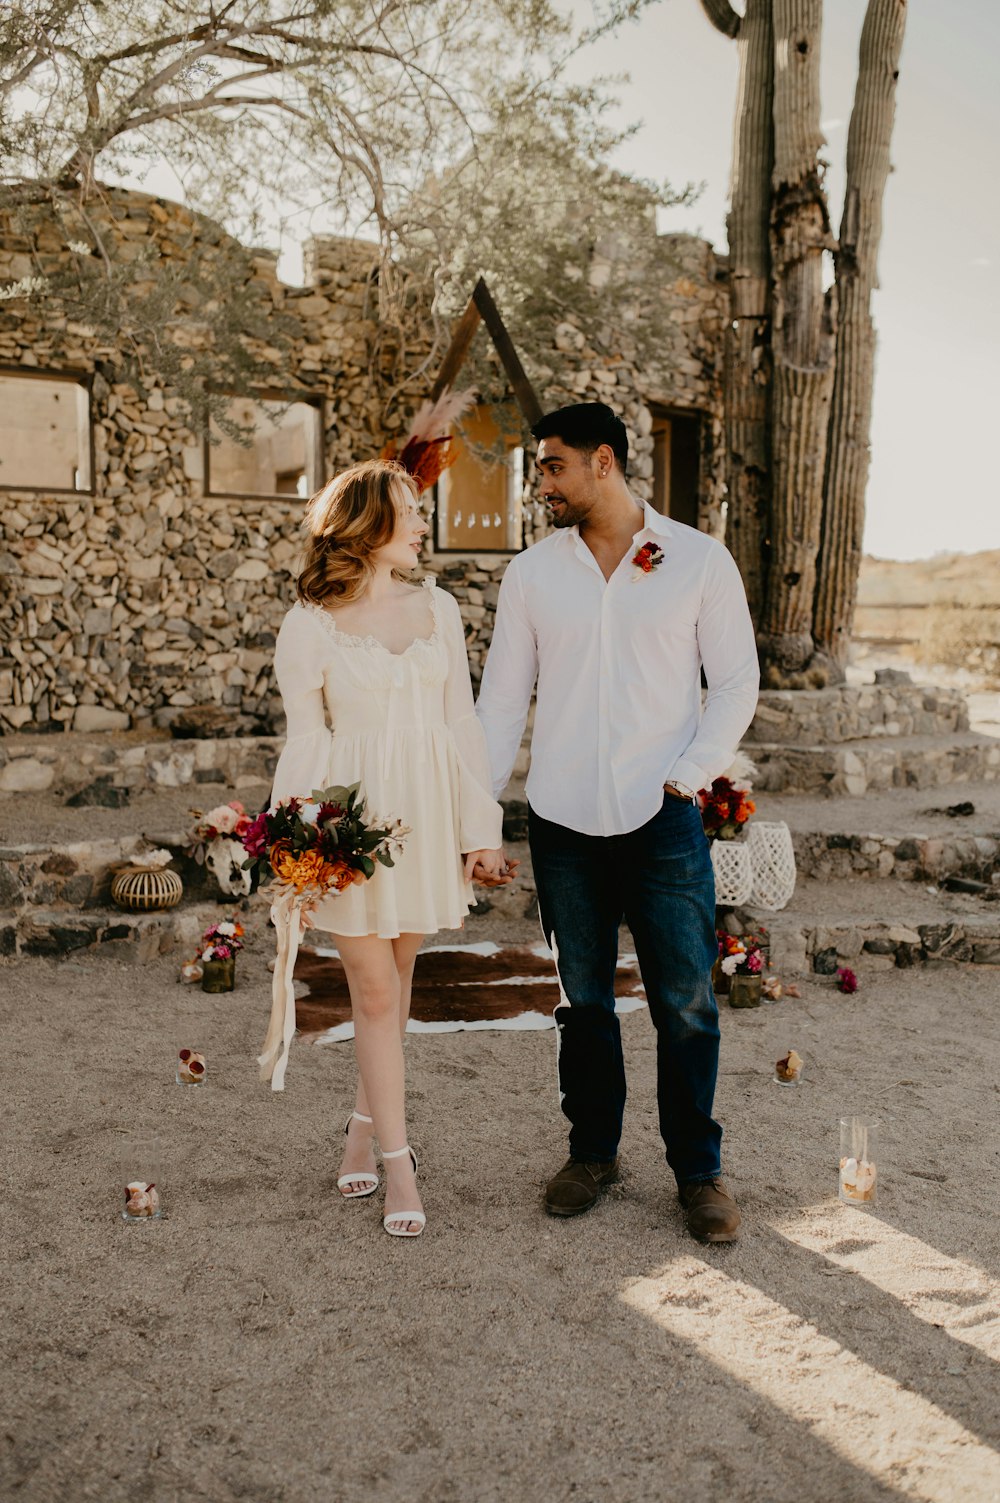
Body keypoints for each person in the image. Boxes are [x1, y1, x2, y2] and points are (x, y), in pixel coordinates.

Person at [474, 403, 760, 1242]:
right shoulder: (531, 574)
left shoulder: (698, 562)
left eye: (553, 466)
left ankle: (698, 1173)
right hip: (562, 820)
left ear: (604, 461)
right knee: (581, 1001)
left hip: (664, 817)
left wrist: (688, 773)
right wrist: (480, 816)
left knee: (687, 1000)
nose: (542, 485)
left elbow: (736, 683)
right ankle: (593, 1152)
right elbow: (500, 700)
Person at [270, 459, 511, 1238]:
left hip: (429, 817)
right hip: (353, 828)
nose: (420, 524)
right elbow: (306, 739)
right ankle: (400, 1164)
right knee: (375, 993)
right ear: (366, 524)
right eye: (408, 511)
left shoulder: (438, 607)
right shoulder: (309, 623)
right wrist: (294, 842)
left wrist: (482, 829)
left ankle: (361, 1128)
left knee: (398, 983)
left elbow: (463, 724)